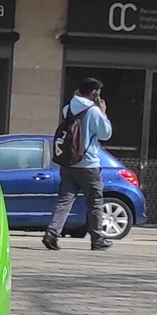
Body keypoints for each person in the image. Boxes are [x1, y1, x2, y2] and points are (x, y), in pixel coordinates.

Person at [45, 79, 114, 251]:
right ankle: (97, 239)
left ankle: (52, 233)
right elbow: (106, 134)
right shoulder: (94, 111)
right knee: (95, 200)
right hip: (88, 163)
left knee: (65, 199)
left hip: (68, 161)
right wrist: (103, 112)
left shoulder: (68, 108)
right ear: (94, 92)